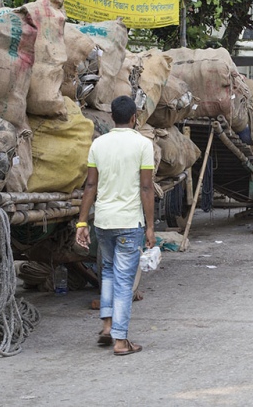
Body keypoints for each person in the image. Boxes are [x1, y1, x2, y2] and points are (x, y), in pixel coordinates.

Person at [75, 95, 155, 356]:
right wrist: (151, 226)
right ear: (134, 118)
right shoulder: (143, 145)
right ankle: (121, 341)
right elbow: (146, 187)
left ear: (112, 118)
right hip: (129, 223)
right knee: (123, 281)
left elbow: (90, 185)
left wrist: (82, 221)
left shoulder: (99, 144)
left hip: (104, 221)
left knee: (107, 272)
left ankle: (107, 326)